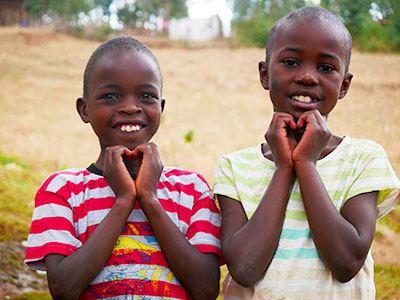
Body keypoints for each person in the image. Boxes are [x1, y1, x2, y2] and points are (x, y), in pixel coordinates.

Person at [213, 6, 400, 300]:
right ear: (264, 74)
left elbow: (346, 262)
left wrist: (306, 164)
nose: (308, 77)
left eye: (326, 67)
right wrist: (284, 168)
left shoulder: (364, 159)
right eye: (290, 62)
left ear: (344, 85)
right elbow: (245, 268)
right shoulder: (234, 168)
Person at [25, 37, 221, 300]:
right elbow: (63, 288)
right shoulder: (63, 190)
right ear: (84, 109)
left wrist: (150, 199)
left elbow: (207, 289)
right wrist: (124, 200)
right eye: (110, 96)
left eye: (146, 95)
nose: (130, 107)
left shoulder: (191, 188)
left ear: (161, 108)